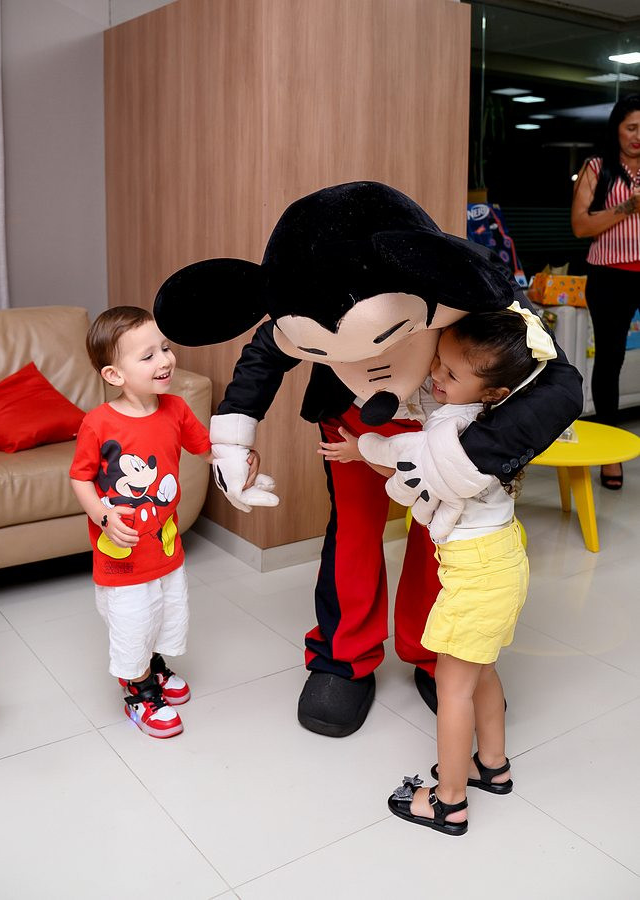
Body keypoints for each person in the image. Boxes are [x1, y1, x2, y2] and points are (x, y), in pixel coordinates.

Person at [154, 181, 583, 738]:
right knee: (354, 534)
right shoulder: (303, 297)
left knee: (440, 541)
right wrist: (232, 441)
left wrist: (464, 458)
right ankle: (343, 657)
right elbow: (265, 353)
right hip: (351, 425)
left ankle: (437, 652)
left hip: (445, 422)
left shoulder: (465, 282)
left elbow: (558, 383)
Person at [354, 304, 556, 836]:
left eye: (450, 373)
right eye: (438, 363)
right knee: (482, 669)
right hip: (503, 558)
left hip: (476, 574)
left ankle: (448, 801)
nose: (436, 377)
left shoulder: (454, 434)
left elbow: (403, 456)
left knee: (452, 688)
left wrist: (358, 447)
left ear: (491, 391)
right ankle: (492, 765)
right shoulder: (497, 420)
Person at [70, 306, 258, 739]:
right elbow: (80, 477)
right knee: (133, 621)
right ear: (115, 375)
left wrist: (240, 460)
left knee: (166, 611)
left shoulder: (175, 409)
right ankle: (139, 692)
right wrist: (103, 515)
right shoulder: (99, 423)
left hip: (165, 548)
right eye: (148, 355)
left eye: (166, 348)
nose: (165, 360)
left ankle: (153, 664)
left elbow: (207, 450)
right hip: (123, 556)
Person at [571, 93, 640, 490]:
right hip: (610, 275)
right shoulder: (597, 168)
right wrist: (627, 207)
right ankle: (611, 455)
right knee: (610, 360)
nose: (637, 136)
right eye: (631, 127)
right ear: (617, 128)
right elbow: (580, 226)